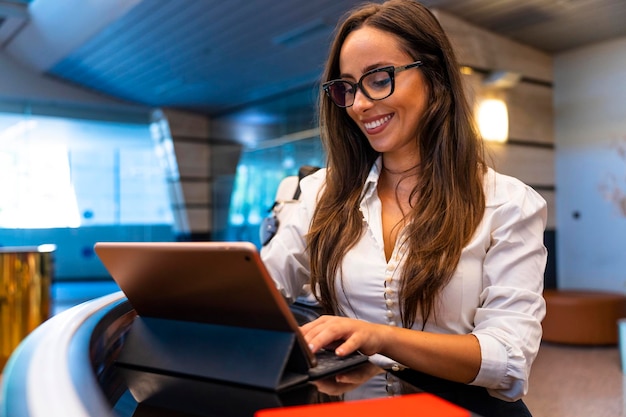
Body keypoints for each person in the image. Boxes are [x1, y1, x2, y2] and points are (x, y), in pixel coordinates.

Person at [260, 0, 547, 414]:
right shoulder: (322, 192)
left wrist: (380, 340)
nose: (359, 104)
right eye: (347, 87)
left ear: (435, 77)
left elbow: (507, 359)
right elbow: (265, 289)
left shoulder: (508, 202)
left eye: (378, 79)